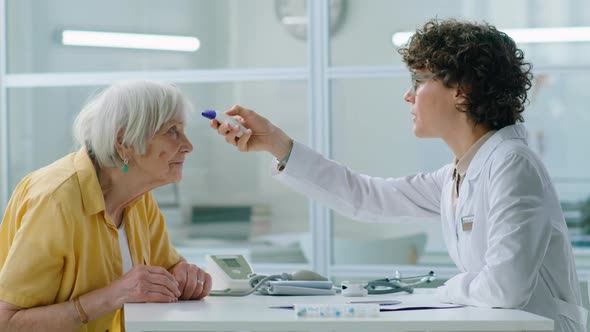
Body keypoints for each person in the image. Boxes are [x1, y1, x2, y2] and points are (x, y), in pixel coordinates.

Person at [210, 19, 586, 332]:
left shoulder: (510, 164)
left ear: (463, 91)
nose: (408, 97)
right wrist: (277, 143)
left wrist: (444, 288)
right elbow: (365, 197)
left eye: (418, 81)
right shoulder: (461, 171)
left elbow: (506, 288)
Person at [0, 80, 212, 332]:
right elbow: (7, 322)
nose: (188, 146)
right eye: (172, 131)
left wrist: (182, 274)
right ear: (124, 141)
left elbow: (164, 267)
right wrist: (113, 295)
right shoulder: (56, 200)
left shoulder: (138, 196)